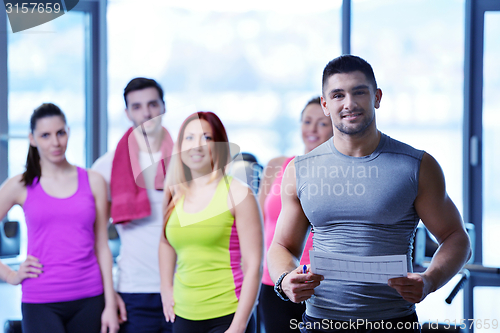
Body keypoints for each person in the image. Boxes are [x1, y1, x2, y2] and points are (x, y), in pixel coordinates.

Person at [267, 55, 472, 333]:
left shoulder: (416, 166)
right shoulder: (300, 170)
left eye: (359, 92)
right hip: (320, 323)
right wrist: (284, 280)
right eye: (338, 95)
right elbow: (282, 246)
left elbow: (456, 237)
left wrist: (429, 280)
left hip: (392, 323)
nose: (349, 103)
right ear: (326, 105)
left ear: (376, 96)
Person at [0, 103, 119, 333]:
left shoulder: (94, 181)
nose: (55, 142)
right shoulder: (20, 184)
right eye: (45, 135)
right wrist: (11, 275)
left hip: (90, 298)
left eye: (60, 133)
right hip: (40, 301)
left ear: (68, 132)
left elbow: (102, 245)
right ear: (32, 139)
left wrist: (110, 302)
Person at [159, 112, 263, 333]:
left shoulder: (239, 193)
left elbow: (254, 265)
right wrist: (165, 287)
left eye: (206, 138)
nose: (196, 145)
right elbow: (165, 243)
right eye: (189, 138)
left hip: (227, 315)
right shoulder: (174, 193)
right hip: (183, 314)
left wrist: (239, 324)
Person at [92, 78, 174, 333]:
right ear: (127, 113)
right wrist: (108, 297)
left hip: (183, 285)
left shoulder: (187, 159)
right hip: (134, 289)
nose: (146, 113)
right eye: (137, 107)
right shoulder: (106, 166)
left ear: (163, 106)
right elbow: (98, 237)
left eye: (152, 104)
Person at [257, 97, 333, 332]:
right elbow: (259, 224)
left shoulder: (337, 173)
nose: (312, 129)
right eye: (307, 121)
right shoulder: (277, 166)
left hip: (319, 285)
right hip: (274, 281)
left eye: (321, 123)